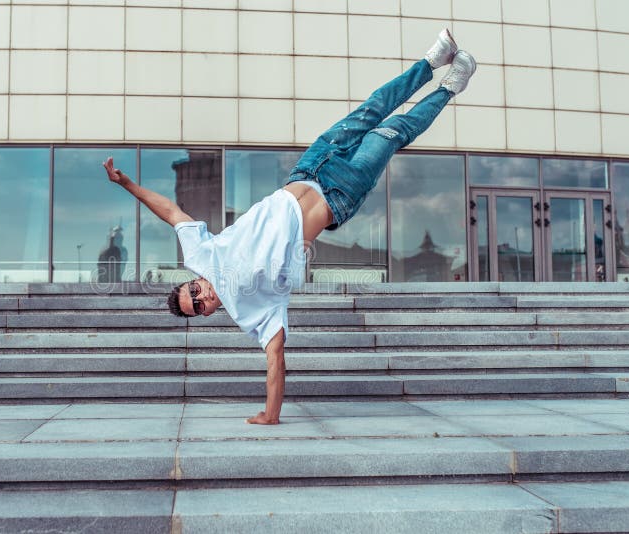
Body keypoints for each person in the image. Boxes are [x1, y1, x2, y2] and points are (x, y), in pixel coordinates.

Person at [103, 29, 476, 425]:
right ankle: (451, 86)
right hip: (339, 194)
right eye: (197, 308)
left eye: (193, 292)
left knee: (371, 109)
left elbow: (171, 211)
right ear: (207, 315)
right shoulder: (250, 310)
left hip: (310, 167)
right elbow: (275, 360)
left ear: (193, 281)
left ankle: (432, 63)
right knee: (391, 131)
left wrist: (127, 185)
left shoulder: (201, 253)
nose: (201, 298)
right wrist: (271, 414)